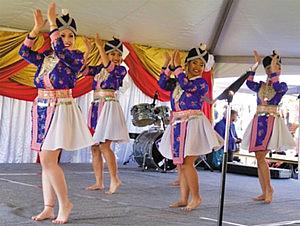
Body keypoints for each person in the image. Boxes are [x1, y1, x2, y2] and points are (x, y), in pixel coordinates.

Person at [18, 3, 94, 224]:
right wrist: (35, 29)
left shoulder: (75, 57)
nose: (68, 39)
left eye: (71, 35)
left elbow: (61, 50)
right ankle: (48, 207)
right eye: (63, 34)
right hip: (42, 108)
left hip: (60, 109)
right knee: (45, 161)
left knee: (49, 160)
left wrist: (53, 23)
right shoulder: (45, 57)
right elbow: (23, 52)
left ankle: (65, 204)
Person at [158, 45, 222, 211]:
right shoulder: (179, 82)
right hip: (178, 124)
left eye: (201, 65)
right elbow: (163, 84)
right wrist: (167, 65)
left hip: (193, 124)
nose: (198, 67)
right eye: (194, 63)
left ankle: (196, 197)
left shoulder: (201, 83)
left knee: (187, 163)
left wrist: (177, 68)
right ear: (187, 64)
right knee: (180, 164)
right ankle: (183, 198)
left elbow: (187, 86)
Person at [241, 50, 295, 204]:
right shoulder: (260, 86)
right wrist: (256, 65)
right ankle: (265, 190)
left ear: (279, 69)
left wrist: (273, 71)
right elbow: (249, 83)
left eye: (275, 67)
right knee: (259, 158)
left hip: (271, 122)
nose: (271, 70)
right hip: (258, 121)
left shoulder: (282, 86)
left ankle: (269, 189)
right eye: (268, 68)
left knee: (261, 156)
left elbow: (277, 87)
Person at [81, 34, 129, 194]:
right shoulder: (98, 70)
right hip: (95, 107)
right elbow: (81, 69)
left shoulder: (121, 70)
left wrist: (101, 47)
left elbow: (109, 67)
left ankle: (115, 179)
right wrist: (88, 51)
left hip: (109, 107)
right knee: (94, 147)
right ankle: (99, 182)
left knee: (104, 145)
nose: (116, 57)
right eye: (113, 53)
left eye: (118, 54)